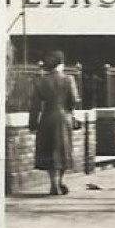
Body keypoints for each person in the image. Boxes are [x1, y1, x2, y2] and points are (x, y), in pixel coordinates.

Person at [28, 51, 80, 196]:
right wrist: (70, 113)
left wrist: (32, 124)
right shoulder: (69, 79)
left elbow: (35, 106)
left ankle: (54, 183)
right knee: (62, 151)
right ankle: (60, 182)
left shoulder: (40, 81)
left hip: (47, 119)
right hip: (64, 119)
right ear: (60, 64)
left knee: (50, 151)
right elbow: (74, 101)